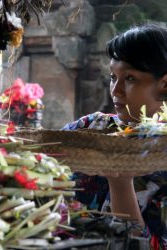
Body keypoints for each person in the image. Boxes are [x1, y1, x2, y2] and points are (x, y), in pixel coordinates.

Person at [62, 24, 167, 249]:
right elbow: (38, 168)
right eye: (112, 77)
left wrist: (120, 183)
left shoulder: (163, 155)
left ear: (164, 84)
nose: (115, 90)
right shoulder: (90, 127)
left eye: (130, 78)